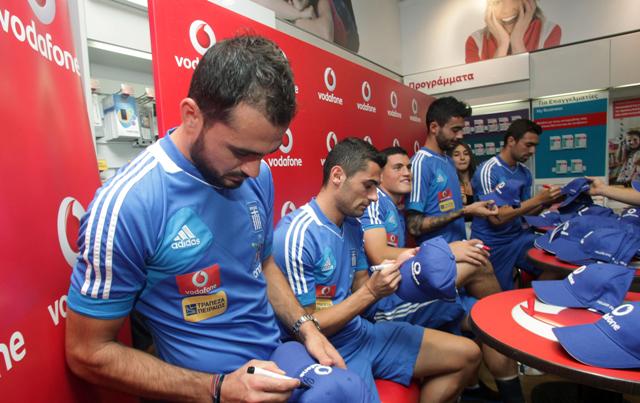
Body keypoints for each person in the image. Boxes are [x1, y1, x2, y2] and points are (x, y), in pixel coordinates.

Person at [65, 35, 344, 403]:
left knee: (347, 390)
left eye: (265, 153)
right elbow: (88, 352)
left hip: (274, 366)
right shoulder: (130, 206)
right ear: (192, 116)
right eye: (241, 152)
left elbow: (263, 264)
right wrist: (218, 389)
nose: (254, 170)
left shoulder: (256, 175)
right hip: (205, 392)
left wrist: (306, 328)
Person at [273, 138, 481, 402]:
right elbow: (306, 327)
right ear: (337, 176)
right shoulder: (298, 234)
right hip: (328, 350)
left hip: (361, 332)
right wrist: (371, 292)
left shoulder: (352, 224)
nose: (374, 197)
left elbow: (362, 284)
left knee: (469, 354)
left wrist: (399, 268)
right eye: (368, 186)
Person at [406, 97, 526, 403]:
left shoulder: (447, 161)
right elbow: (415, 225)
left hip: (460, 258)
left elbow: (446, 211)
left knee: (494, 329)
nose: (461, 136)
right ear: (434, 127)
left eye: (462, 129)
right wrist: (464, 211)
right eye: (455, 129)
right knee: (496, 308)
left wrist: (475, 209)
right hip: (439, 266)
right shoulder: (421, 162)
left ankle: (490, 392)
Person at [360, 146, 500, 331]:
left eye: (408, 168)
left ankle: (506, 332)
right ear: (380, 176)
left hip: (400, 285)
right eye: (398, 168)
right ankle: (507, 328)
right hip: (384, 301)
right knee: (478, 263)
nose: (407, 173)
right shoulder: (375, 201)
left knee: (485, 316)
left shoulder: (394, 206)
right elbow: (379, 255)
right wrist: (447, 251)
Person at [471, 118, 563, 291]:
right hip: (494, 244)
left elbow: (526, 213)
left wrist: (547, 203)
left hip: (520, 238)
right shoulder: (488, 170)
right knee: (499, 297)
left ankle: (535, 297)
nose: (532, 151)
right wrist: (539, 199)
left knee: (558, 263)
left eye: (535, 146)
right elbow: (496, 218)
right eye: (528, 145)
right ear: (511, 141)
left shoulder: (525, 172)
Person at [465, 0, 561, 63]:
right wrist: (503, 44)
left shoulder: (548, 32)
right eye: (497, 1)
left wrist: (517, 41)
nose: (505, 10)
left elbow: (542, 82)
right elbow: (484, 86)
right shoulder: (475, 41)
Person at [448, 141, 476, 208]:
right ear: (450, 158)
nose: (462, 158)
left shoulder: (479, 179)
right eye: (456, 155)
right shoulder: (448, 184)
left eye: (466, 154)